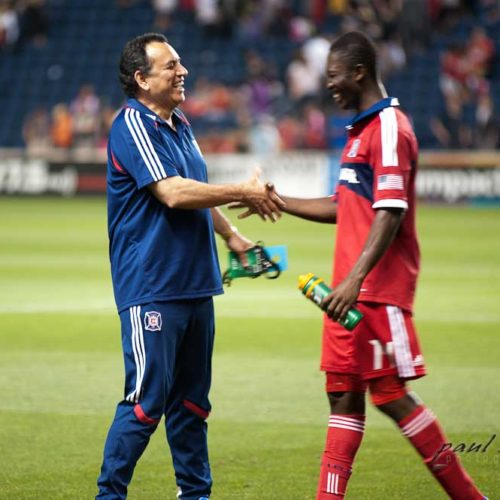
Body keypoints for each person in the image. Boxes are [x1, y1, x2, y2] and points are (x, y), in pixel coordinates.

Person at [235, 31, 487, 499]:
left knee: (391, 395)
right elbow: (344, 205)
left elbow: (391, 210)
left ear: (358, 72)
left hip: (372, 289)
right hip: (348, 292)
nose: (329, 86)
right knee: (343, 396)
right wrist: (278, 201)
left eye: (333, 78)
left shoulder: (390, 128)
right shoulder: (361, 133)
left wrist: (354, 279)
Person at [96, 32, 284, 500]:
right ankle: (109, 496)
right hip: (153, 286)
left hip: (196, 285)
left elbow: (194, 186)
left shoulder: (179, 122)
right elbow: (173, 192)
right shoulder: (132, 124)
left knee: (193, 405)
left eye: (181, 62)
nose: (183, 71)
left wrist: (232, 236)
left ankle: (195, 494)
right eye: (170, 66)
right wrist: (242, 190)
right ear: (141, 79)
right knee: (145, 404)